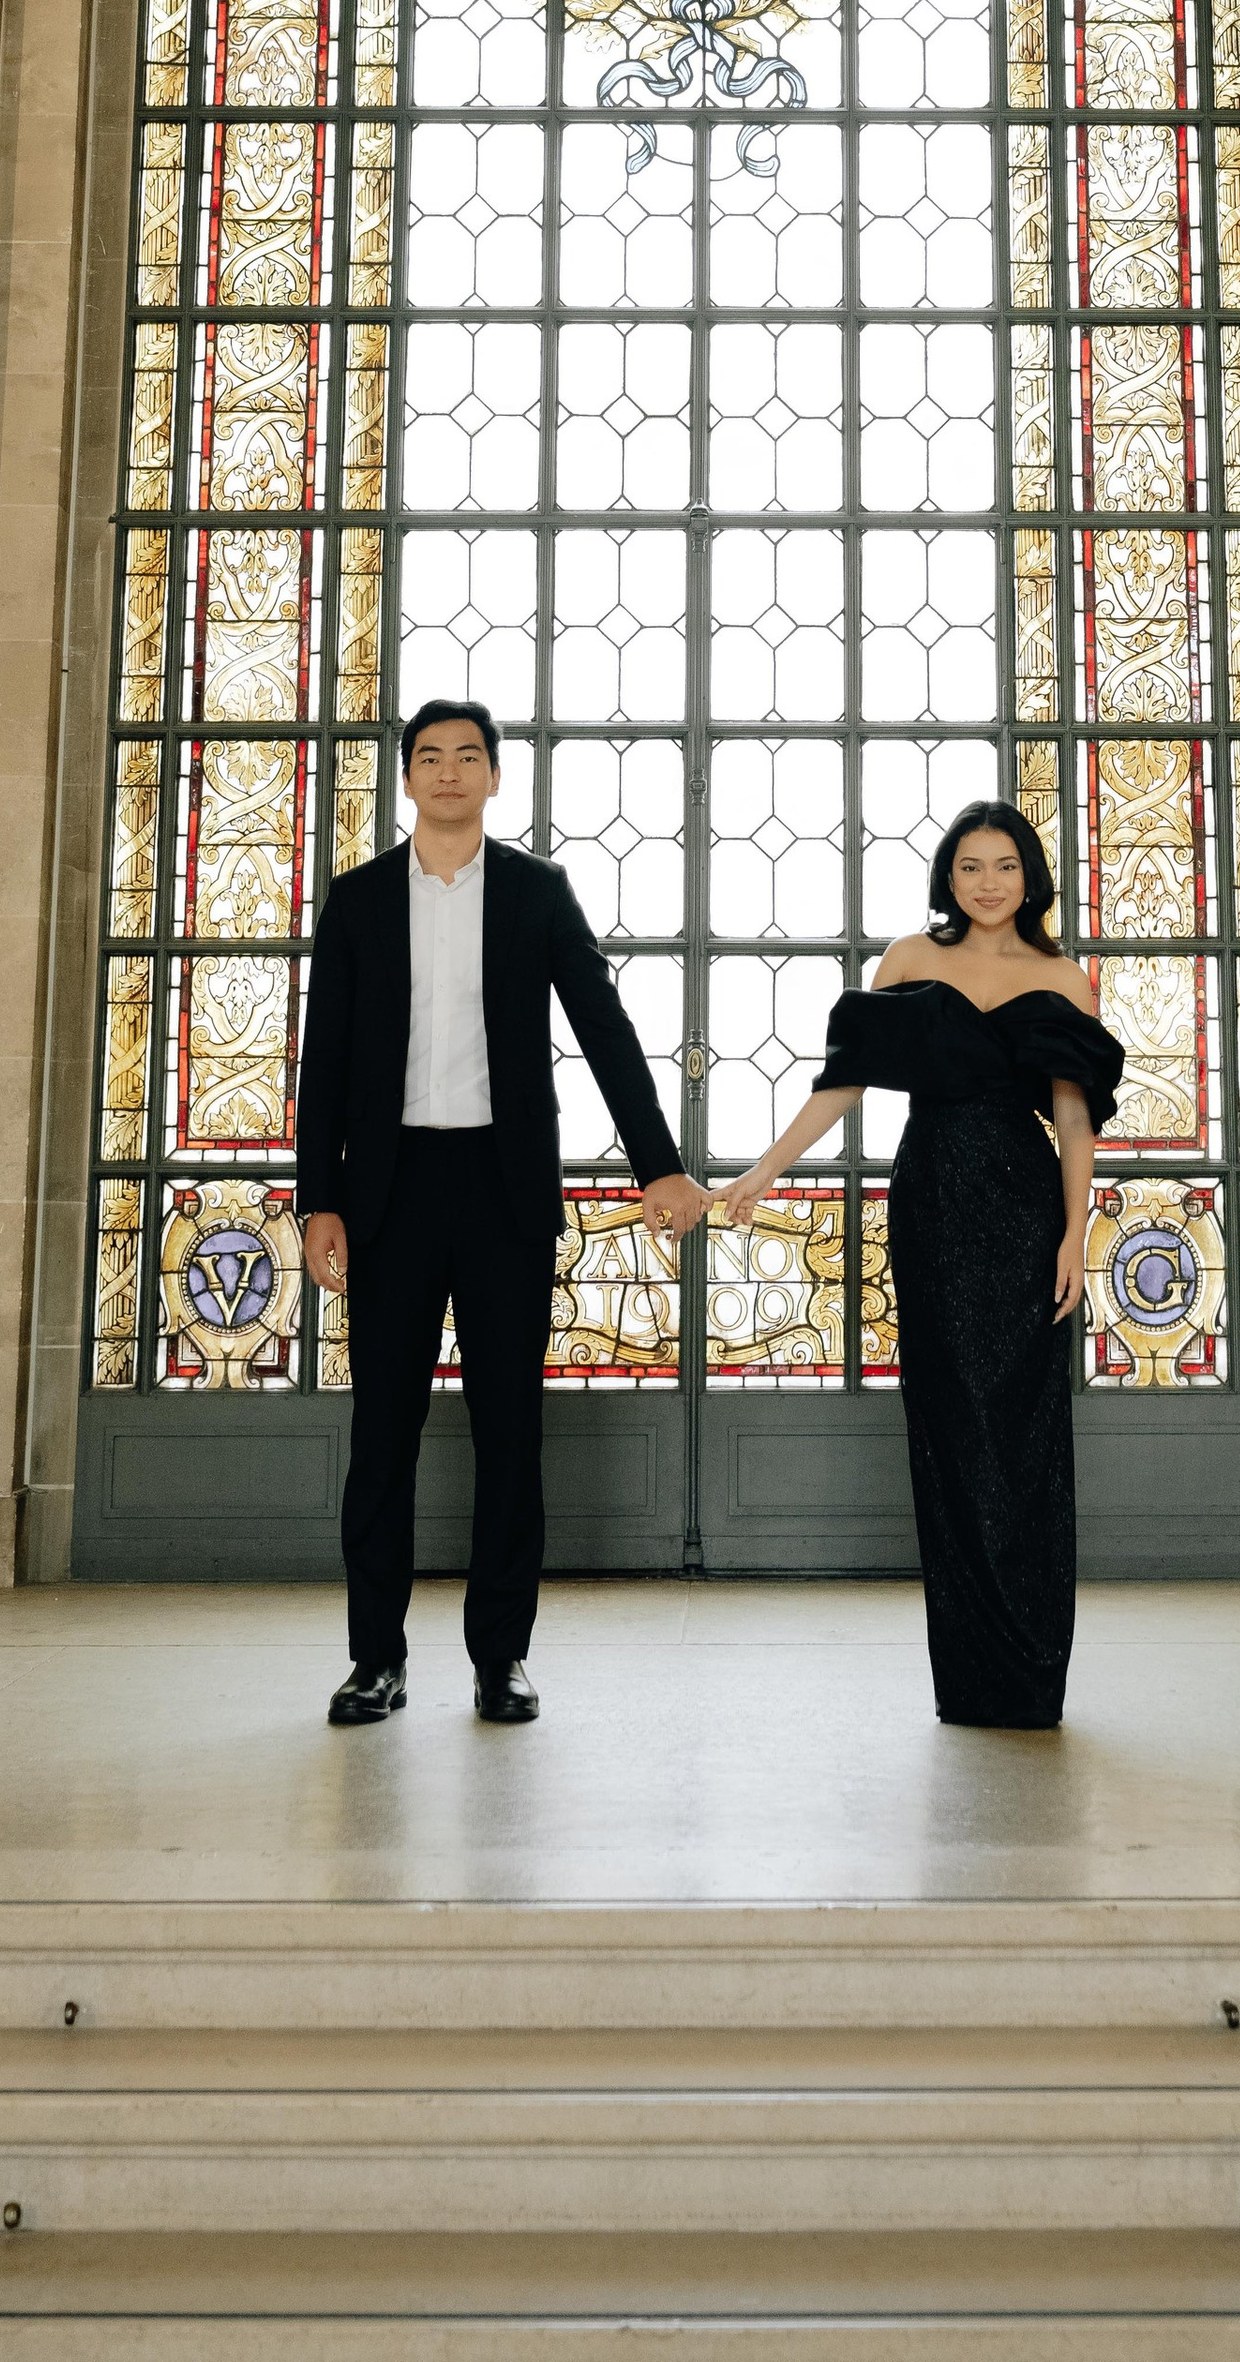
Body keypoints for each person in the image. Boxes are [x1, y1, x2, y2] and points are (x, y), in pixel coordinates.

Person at [296, 697, 709, 1725]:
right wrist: (319, 1203)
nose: (447, 773)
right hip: (386, 1198)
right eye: (428, 757)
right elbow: (326, 1064)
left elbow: (605, 1033)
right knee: (382, 1435)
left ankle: (499, 1658)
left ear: (493, 777)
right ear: (406, 779)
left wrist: (658, 1165)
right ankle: (373, 1661)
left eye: (466, 757)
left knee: (508, 1434)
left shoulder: (535, 894)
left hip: (501, 1192)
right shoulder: (356, 903)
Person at [722, 802, 1121, 1727]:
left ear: (1032, 878)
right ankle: (971, 1677)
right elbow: (844, 1087)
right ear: (949, 878)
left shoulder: (1065, 978)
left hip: (1024, 1206)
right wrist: (760, 1172)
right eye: (970, 866)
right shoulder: (908, 958)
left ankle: (1029, 1673)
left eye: (1007, 866)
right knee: (949, 1423)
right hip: (933, 1199)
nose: (989, 883)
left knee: (1021, 1429)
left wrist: (1074, 1236)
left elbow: (1072, 1122)